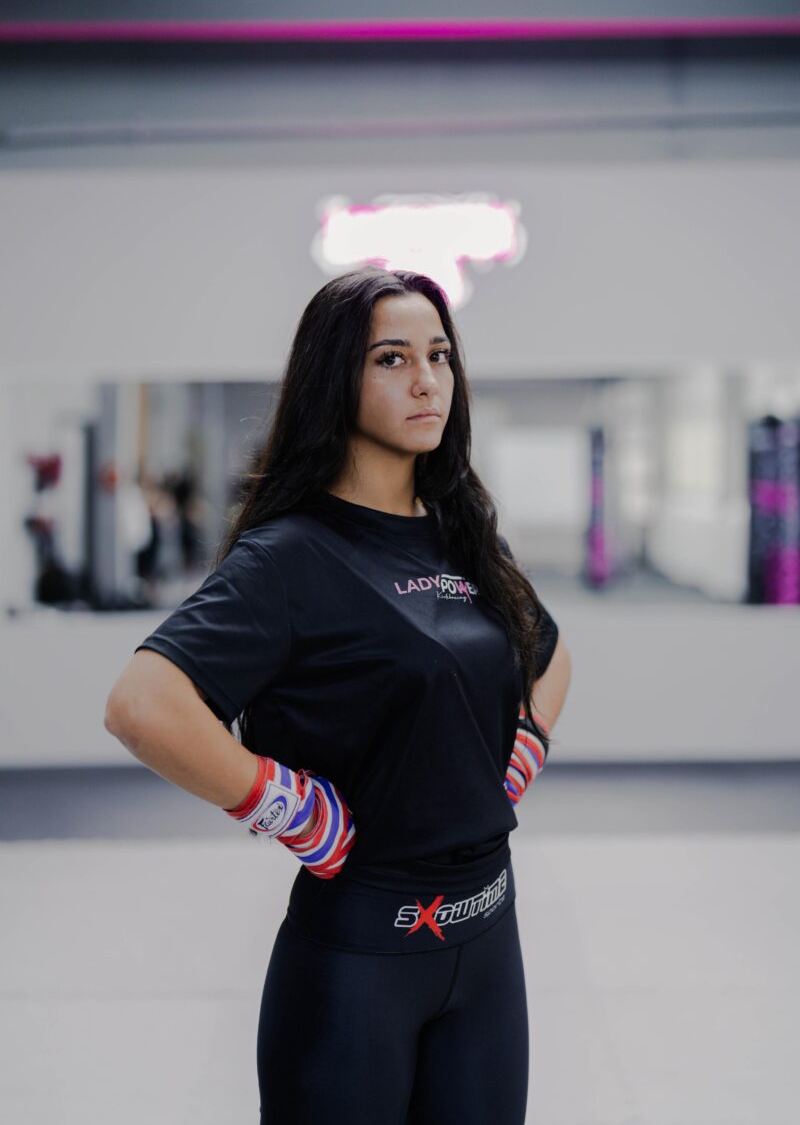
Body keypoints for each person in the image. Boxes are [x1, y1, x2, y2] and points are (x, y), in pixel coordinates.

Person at [104, 266, 572, 1124]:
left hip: (488, 941)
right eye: (392, 358)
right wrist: (289, 809)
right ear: (335, 380)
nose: (427, 379)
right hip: (359, 966)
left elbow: (548, 653)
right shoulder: (291, 556)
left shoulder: (461, 533)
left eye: (439, 355)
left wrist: (520, 753)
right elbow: (143, 703)